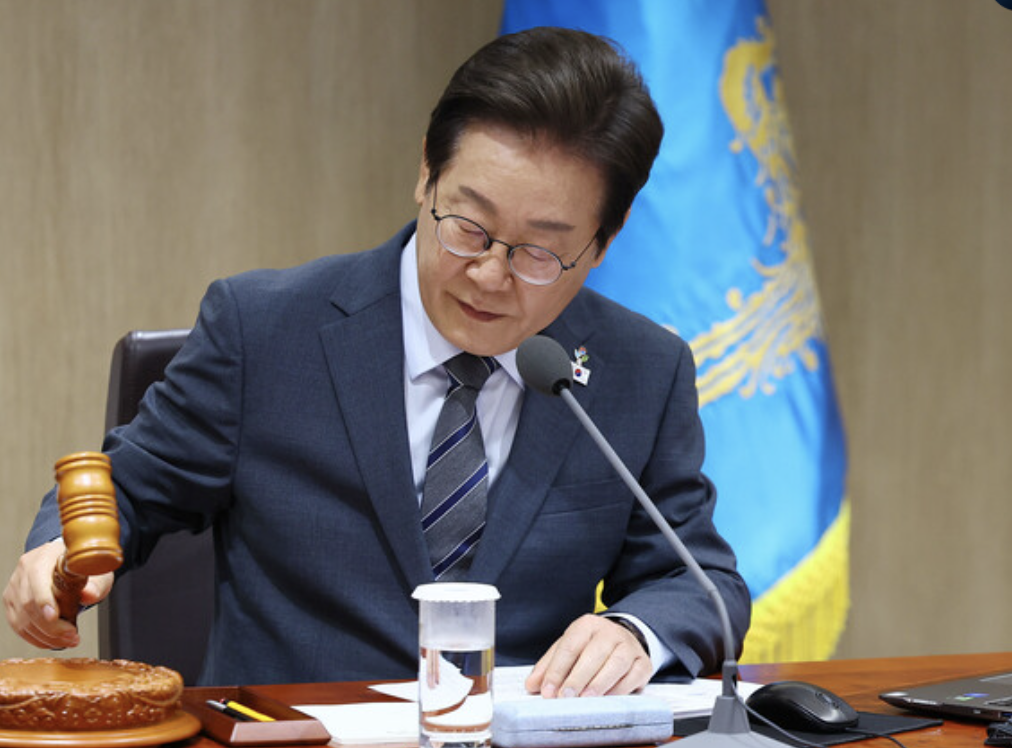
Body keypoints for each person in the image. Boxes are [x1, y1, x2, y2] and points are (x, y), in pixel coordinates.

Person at [4, 27, 750, 695]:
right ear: (426, 173)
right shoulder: (264, 330)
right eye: (469, 226)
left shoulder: (639, 370)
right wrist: (58, 555)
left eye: (540, 252)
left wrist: (636, 633)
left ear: (604, 241)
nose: (490, 274)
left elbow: (699, 581)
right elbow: (130, 489)